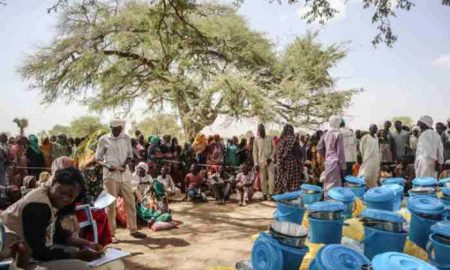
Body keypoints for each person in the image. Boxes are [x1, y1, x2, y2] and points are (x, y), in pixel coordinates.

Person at [0, 167, 103, 270]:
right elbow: (39, 253)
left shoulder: (48, 199)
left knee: (72, 250)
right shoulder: (38, 206)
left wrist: (88, 244)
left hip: (28, 254)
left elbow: (58, 234)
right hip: (14, 260)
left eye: (71, 196)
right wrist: (78, 255)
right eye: (62, 192)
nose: (66, 198)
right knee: (82, 267)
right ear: (53, 182)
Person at [95, 119, 146, 242]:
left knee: (130, 201)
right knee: (110, 205)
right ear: (111, 127)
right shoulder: (104, 139)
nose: (116, 131)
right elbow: (98, 158)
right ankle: (111, 233)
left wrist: (124, 165)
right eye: (114, 129)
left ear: (122, 128)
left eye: (119, 129)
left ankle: (133, 229)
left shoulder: (126, 138)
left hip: (125, 175)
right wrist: (108, 166)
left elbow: (130, 156)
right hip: (110, 176)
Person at [317, 116, 346, 194]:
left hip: (328, 162)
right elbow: (340, 153)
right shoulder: (339, 134)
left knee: (327, 185)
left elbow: (319, 148)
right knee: (335, 187)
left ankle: (327, 202)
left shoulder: (326, 134)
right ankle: (334, 204)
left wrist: (326, 155)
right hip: (336, 163)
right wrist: (343, 167)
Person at [275, 124, 303, 194]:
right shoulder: (293, 139)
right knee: (292, 183)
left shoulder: (281, 140)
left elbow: (278, 154)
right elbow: (297, 154)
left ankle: (282, 198)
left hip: (280, 165)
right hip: (291, 165)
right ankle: (291, 198)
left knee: (282, 182)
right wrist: (300, 164)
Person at [253, 124, 275, 200]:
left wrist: (270, 158)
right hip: (261, 162)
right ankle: (264, 194)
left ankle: (271, 194)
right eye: (260, 130)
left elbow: (274, 149)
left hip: (270, 161)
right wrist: (256, 163)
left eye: (263, 129)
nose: (261, 131)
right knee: (262, 179)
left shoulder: (270, 138)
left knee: (271, 178)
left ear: (264, 130)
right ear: (258, 131)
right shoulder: (256, 140)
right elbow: (255, 152)